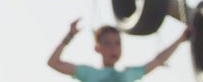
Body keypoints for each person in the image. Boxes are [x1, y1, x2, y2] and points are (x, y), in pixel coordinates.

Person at [47, 19, 189, 81]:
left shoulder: (127, 75)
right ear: (98, 48)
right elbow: (53, 62)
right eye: (107, 44)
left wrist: (181, 39)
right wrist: (69, 35)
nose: (113, 48)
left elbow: (158, 60)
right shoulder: (89, 74)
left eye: (117, 43)